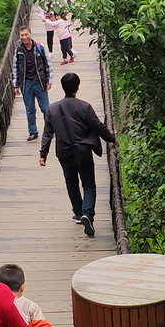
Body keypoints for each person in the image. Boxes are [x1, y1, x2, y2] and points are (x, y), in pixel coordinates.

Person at [39, 72, 116, 237]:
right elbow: (98, 126)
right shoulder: (84, 106)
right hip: (83, 151)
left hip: (64, 152)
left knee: (71, 183)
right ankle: (87, 214)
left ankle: (78, 212)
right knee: (88, 184)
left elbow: (47, 133)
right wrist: (111, 139)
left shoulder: (51, 109)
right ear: (78, 87)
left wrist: (43, 154)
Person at [12, 24, 52, 142]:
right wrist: (16, 85)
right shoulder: (18, 50)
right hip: (26, 83)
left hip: (40, 82)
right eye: (22, 35)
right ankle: (33, 132)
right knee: (30, 109)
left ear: (30, 34)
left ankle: (49, 130)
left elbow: (47, 64)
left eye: (26, 34)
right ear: (19, 37)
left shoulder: (39, 47)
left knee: (45, 108)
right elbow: (15, 67)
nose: (24, 37)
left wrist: (49, 80)